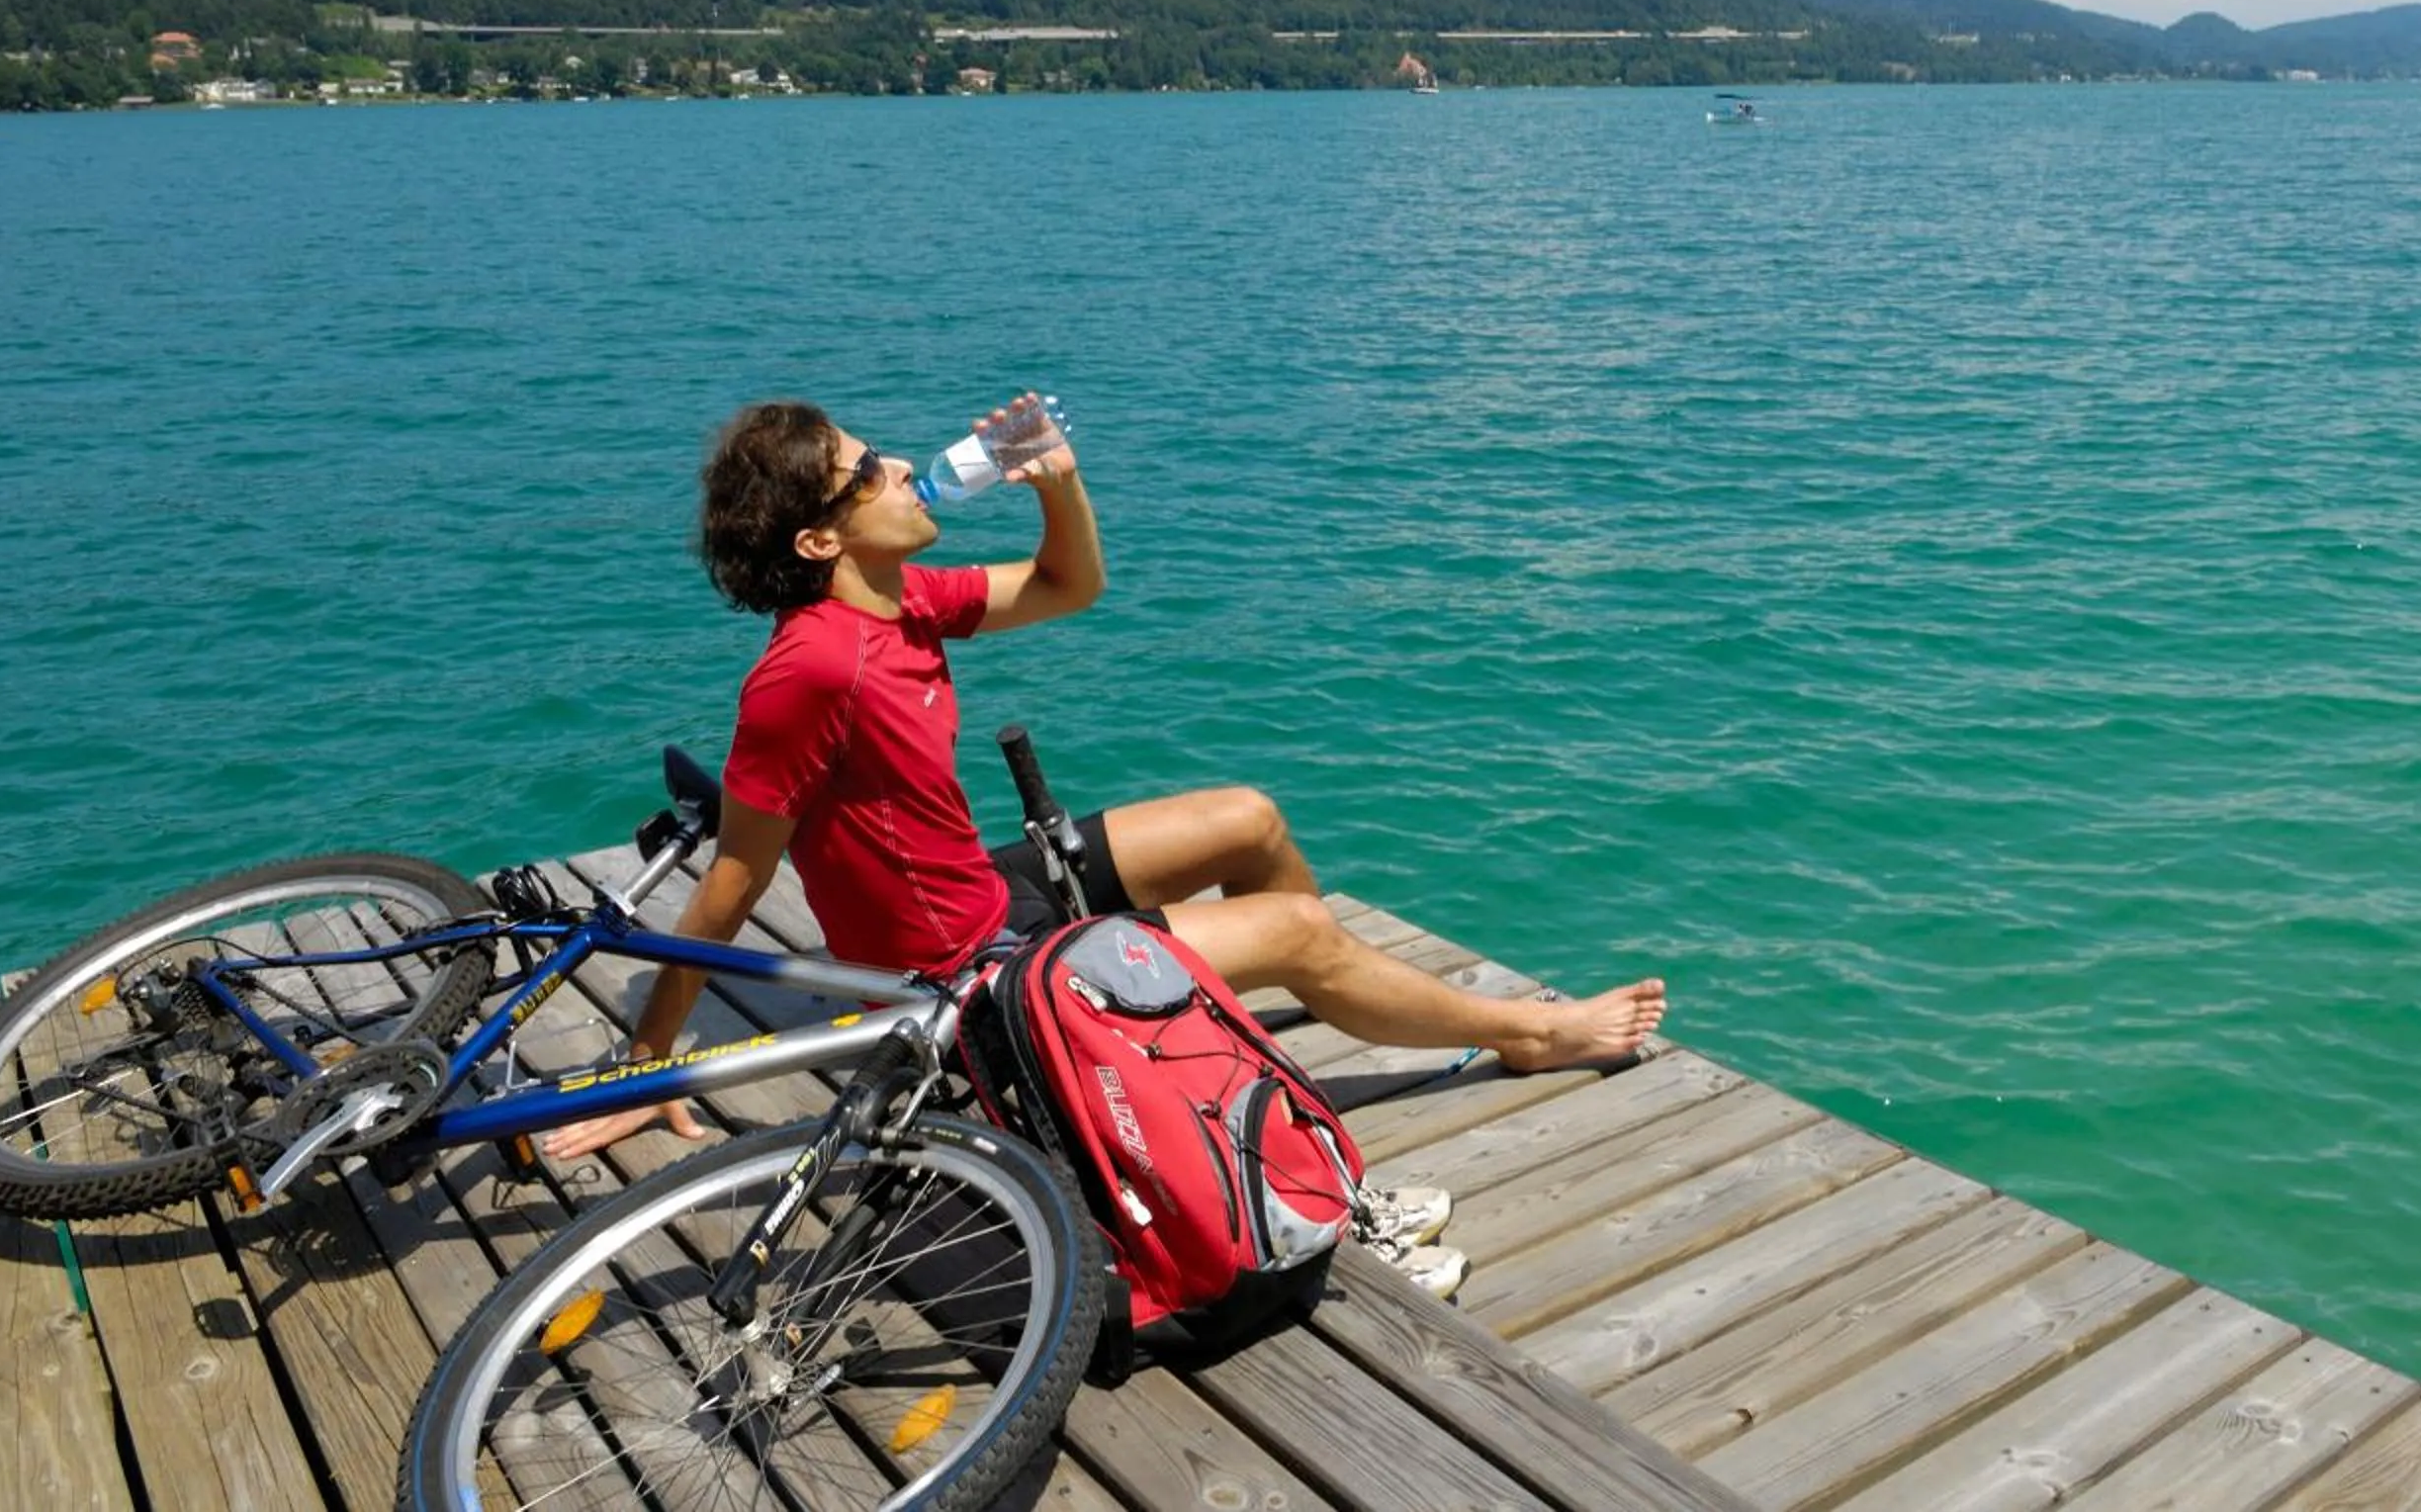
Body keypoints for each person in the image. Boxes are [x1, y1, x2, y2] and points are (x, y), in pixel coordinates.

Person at [547, 396, 1667, 1286]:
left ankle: (1217, 1042)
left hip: (990, 896)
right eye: (866, 470)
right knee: (1299, 930)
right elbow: (734, 879)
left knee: (1250, 819)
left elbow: (1072, 582)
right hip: (959, 986)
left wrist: (1059, 487)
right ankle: (1526, 1033)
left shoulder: (904, 601)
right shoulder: (813, 668)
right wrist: (651, 1062)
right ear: (820, 535)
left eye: (881, 452)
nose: (900, 468)